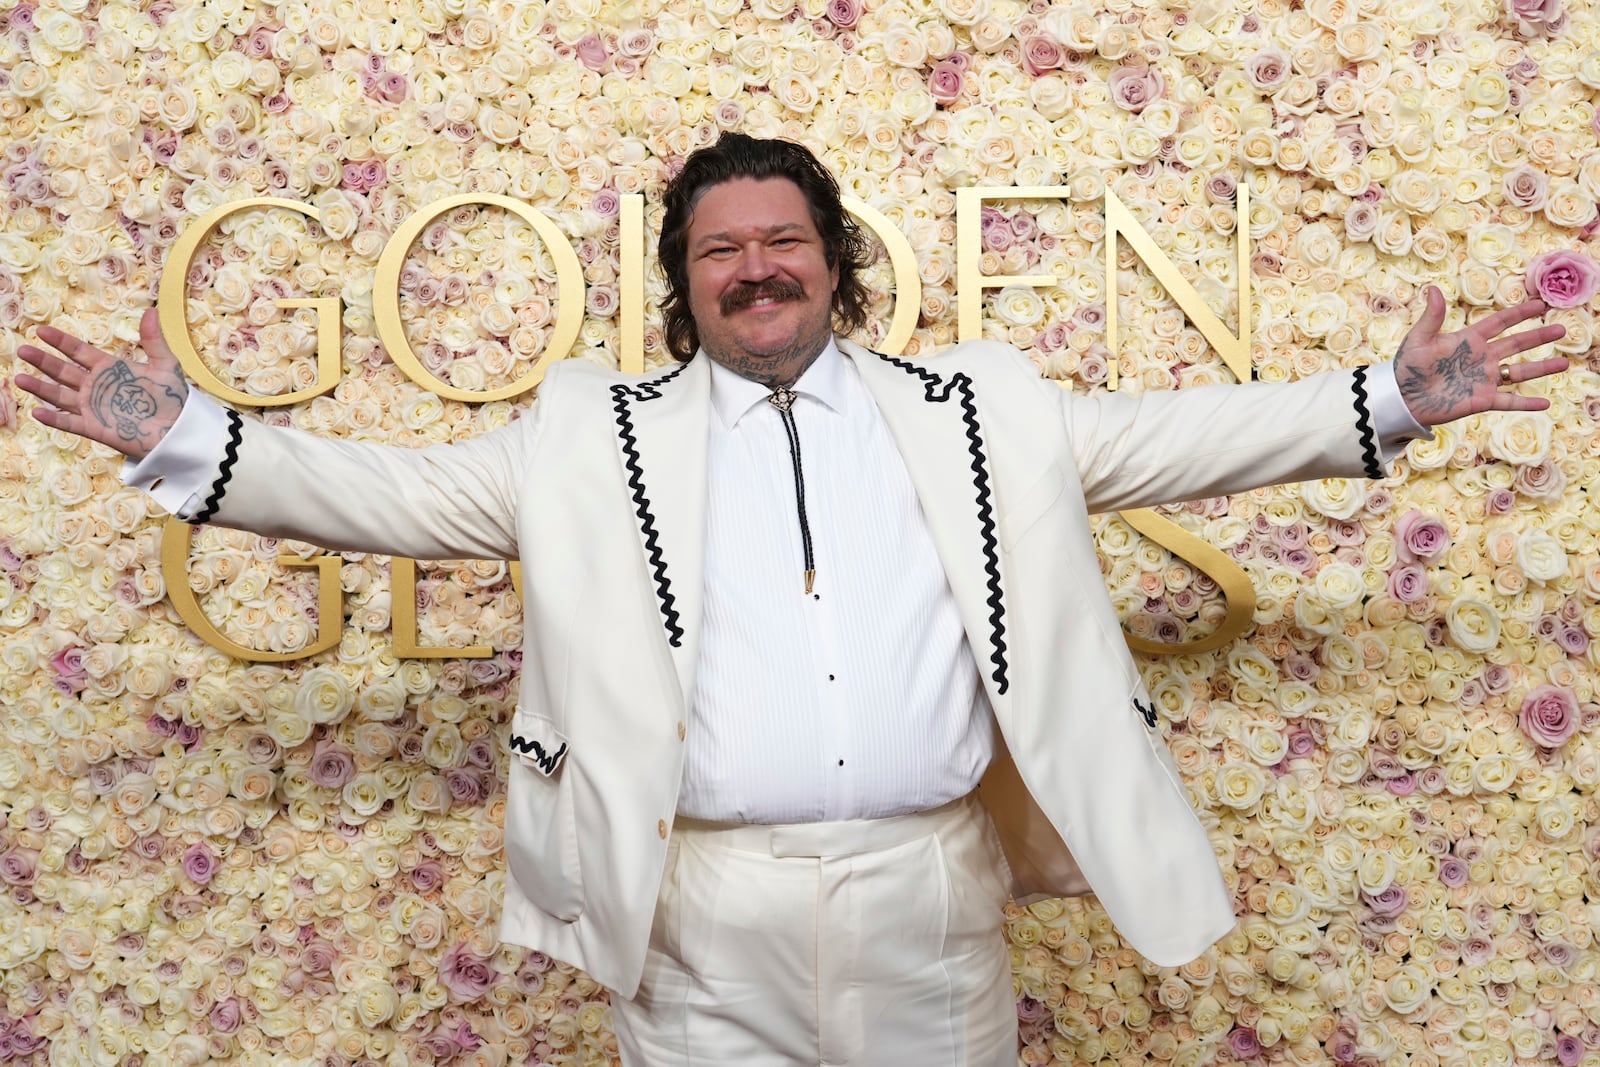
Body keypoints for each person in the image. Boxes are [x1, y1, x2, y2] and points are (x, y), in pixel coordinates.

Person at [16, 134, 1568, 1066]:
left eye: (783, 243)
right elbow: (389, 498)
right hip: (696, 921)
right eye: (720, 252)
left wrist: (1393, 400)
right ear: (683, 282)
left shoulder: (983, 409)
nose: (756, 271)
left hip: (930, 904)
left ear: (834, 265)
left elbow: (1189, 438)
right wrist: (183, 438)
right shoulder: (588, 434)